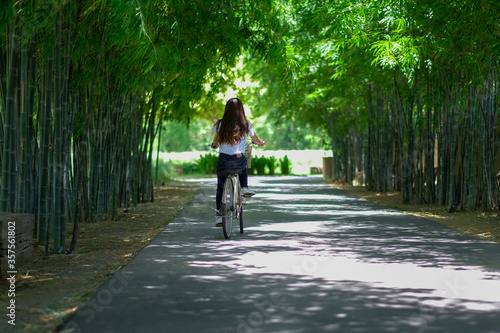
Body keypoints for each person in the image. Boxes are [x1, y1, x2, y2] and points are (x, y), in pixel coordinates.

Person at [210, 98, 265, 226]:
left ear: (226, 110)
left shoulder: (220, 125)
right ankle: (245, 188)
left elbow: (215, 142)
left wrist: (213, 145)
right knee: (243, 162)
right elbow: (255, 139)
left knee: (220, 188)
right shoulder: (245, 124)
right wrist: (261, 142)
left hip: (223, 161)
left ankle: (219, 216)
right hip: (238, 160)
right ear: (241, 110)